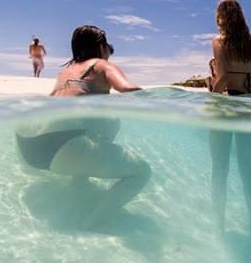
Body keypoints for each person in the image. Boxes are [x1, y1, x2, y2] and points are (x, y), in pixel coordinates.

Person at [15, 25, 150, 227]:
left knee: (105, 124)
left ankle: (79, 182)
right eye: (107, 47)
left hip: (29, 146)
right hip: (61, 149)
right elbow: (127, 89)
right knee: (141, 172)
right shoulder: (101, 65)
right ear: (101, 47)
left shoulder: (65, 72)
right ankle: (93, 223)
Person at [208, 0, 251, 235]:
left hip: (225, 106)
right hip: (247, 107)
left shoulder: (219, 42)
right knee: (246, 168)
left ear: (221, 17)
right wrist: (249, 93)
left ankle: (219, 225)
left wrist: (212, 95)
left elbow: (220, 78)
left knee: (220, 168)